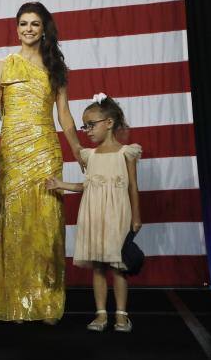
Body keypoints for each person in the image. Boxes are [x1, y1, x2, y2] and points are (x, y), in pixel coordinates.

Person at [0, 2, 85, 324]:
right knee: (16, 224)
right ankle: (15, 300)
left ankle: (45, 301)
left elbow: (64, 114)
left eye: (34, 24)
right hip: (14, 153)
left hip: (45, 150)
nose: (28, 29)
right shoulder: (4, 64)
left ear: (44, 28)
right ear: (16, 28)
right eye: (23, 24)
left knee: (45, 225)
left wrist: (78, 150)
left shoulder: (55, 67)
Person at [46, 93, 142, 332]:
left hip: (117, 215)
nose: (87, 131)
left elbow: (133, 187)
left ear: (109, 123)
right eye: (84, 126)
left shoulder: (126, 153)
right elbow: (87, 185)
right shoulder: (90, 155)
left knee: (118, 266)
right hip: (93, 215)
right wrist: (61, 185)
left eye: (91, 125)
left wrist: (136, 217)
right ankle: (101, 314)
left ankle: (121, 314)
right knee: (98, 266)